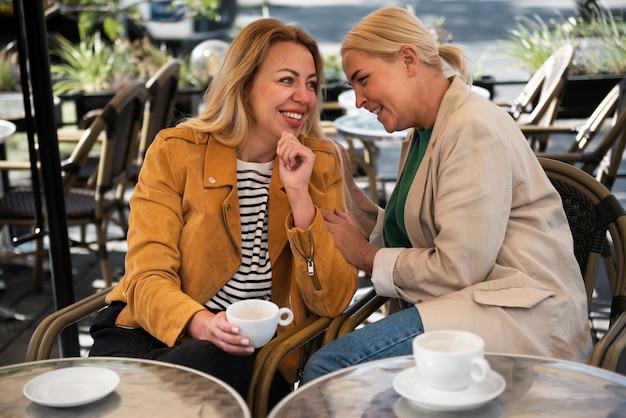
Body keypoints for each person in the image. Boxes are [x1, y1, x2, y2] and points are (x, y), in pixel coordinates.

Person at [302, 7, 592, 382]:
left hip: (519, 322)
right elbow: (404, 232)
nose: (359, 100)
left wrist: (365, 256)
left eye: (363, 80)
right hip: (472, 305)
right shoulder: (423, 130)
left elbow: (456, 268)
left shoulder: (472, 129)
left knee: (329, 369)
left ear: (408, 59)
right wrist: (342, 179)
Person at [89, 18, 358, 406]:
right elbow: (146, 275)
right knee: (192, 370)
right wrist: (202, 323)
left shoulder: (319, 164)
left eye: (311, 83)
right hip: (150, 333)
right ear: (245, 84)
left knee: (213, 364)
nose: (304, 96)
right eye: (287, 80)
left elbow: (332, 301)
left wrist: (300, 199)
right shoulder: (175, 151)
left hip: (249, 356)